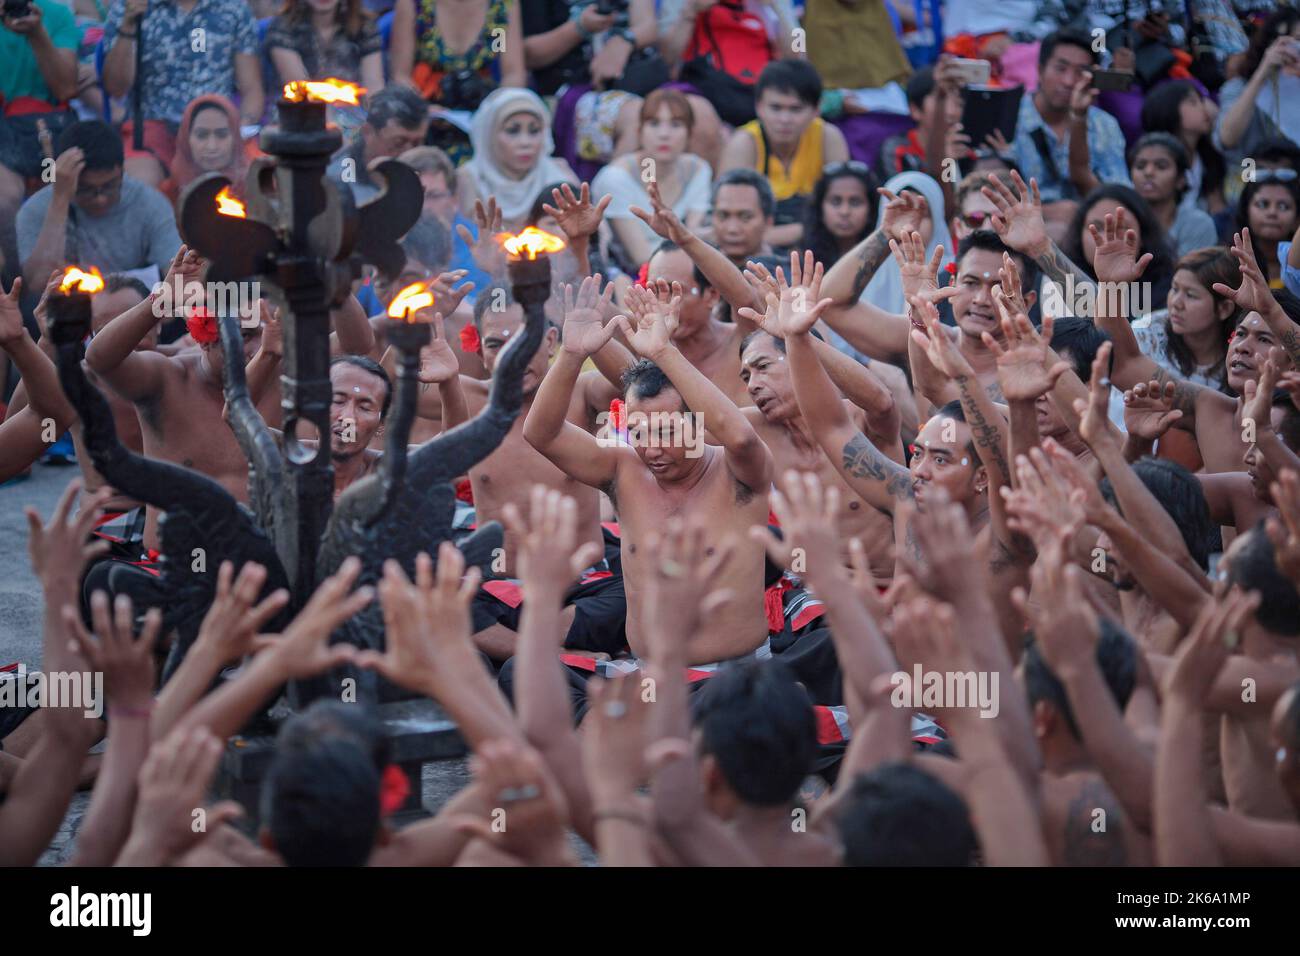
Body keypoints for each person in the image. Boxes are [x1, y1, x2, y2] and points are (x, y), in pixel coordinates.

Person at [524, 280, 775, 665]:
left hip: (733, 681)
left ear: (697, 424)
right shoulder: (622, 468)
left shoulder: (739, 470)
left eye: (666, 431)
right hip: (650, 679)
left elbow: (740, 437)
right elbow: (542, 434)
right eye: (639, 432)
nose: (651, 448)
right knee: (526, 673)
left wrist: (662, 351)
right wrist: (571, 356)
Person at [100, 0, 264, 188]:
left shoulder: (233, 8)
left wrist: (240, 130)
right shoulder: (128, 6)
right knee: (139, 187)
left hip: (215, 128)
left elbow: (251, 90)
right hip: (154, 130)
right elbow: (116, 89)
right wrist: (128, 26)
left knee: (261, 181)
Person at [16, 120, 181, 289]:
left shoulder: (149, 203)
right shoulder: (35, 209)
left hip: (132, 307)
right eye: (86, 189)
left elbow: (176, 275)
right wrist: (60, 199)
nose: (100, 198)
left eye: (109, 186)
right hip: (67, 309)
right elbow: (38, 283)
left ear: (122, 172)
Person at [1011, 29, 1129, 241]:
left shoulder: (1105, 125)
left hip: (1093, 236)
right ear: (1040, 70)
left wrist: (1079, 118)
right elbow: (982, 199)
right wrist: (1047, 213)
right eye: (1060, 68)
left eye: (1080, 72)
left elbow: (1120, 202)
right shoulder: (1008, 117)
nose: (1068, 81)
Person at [720, 59, 848, 249]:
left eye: (795, 109)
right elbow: (729, 229)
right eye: (776, 108)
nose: (785, 119)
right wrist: (806, 230)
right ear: (759, 107)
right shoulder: (744, 143)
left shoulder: (828, 137)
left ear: (816, 110)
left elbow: (844, 214)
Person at [389, 0, 524, 164]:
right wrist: (423, 109)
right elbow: (401, 75)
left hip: (480, 112)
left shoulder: (502, 5)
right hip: (425, 115)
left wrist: (491, 112)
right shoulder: (413, 4)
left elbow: (512, 75)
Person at [591, 88, 712, 271]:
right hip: (633, 276)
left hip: (687, 266)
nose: (664, 134)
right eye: (654, 123)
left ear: (689, 133)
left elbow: (696, 233)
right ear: (640, 131)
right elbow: (641, 257)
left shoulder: (698, 169)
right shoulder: (614, 179)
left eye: (676, 124)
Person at [0, 0, 80, 262]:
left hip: (50, 135)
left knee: (58, 192)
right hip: (5, 138)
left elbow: (65, 88)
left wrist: (37, 33)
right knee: (4, 200)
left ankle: (62, 283)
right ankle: (17, 283)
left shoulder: (55, 15)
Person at [456, 87, 575, 232]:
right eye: (512, 130)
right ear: (489, 135)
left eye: (534, 130)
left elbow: (592, 236)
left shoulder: (558, 172)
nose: (525, 142)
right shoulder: (469, 178)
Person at [1130, 246, 1244, 394]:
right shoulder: (1148, 334)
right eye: (1175, 289)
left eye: (1191, 295)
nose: (1176, 303)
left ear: (1224, 309)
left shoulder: (1243, 351)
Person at [1059, 184, 1176, 315]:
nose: (1107, 239)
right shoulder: (1055, 282)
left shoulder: (1170, 289)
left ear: (1143, 236)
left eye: (1121, 228)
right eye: (1097, 228)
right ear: (1079, 234)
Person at [1214, 8, 1300, 168]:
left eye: (1298, 40)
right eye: (1284, 41)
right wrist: (1263, 72)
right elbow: (1226, 139)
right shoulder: (1240, 86)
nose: (1292, 48)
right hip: (1250, 172)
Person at [328, 84, 429, 202]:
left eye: (417, 143)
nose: (410, 152)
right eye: (399, 142)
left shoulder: (430, 173)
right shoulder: (337, 180)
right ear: (368, 132)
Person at [1139, 80, 1225, 216]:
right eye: (1193, 102)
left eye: (1202, 101)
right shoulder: (1149, 158)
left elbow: (1218, 210)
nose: (1205, 109)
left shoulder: (1208, 157)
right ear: (1168, 109)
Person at [1128, 134, 1219, 259]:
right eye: (1140, 166)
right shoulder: (1121, 221)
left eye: (1161, 166)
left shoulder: (1198, 224)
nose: (1148, 172)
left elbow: (1190, 276)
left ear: (1181, 179)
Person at [266, 0, 384, 91]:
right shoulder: (283, 27)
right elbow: (300, 88)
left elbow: (373, 86)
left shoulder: (365, 27)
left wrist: (375, 118)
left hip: (354, 115)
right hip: (297, 115)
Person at [159, 95, 250, 207]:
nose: (212, 147)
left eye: (222, 135)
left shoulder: (254, 190)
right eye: (201, 135)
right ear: (186, 139)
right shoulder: (169, 193)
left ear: (235, 138)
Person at [802, 162, 877, 273]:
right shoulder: (802, 260)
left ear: (871, 209)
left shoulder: (884, 259)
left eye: (855, 202)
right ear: (819, 207)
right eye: (836, 202)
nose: (844, 211)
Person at [1236, 177, 1300, 288]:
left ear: (1297, 219)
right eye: (1262, 204)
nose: (1272, 213)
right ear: (1246, 212)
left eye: (1283, 206)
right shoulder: (1228, 262)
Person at [708, 168, 775, 265]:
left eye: (745, 217)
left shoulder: (789, 275)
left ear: (768, 222)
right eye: (723, 216)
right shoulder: (691, 270)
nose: (732, 229)